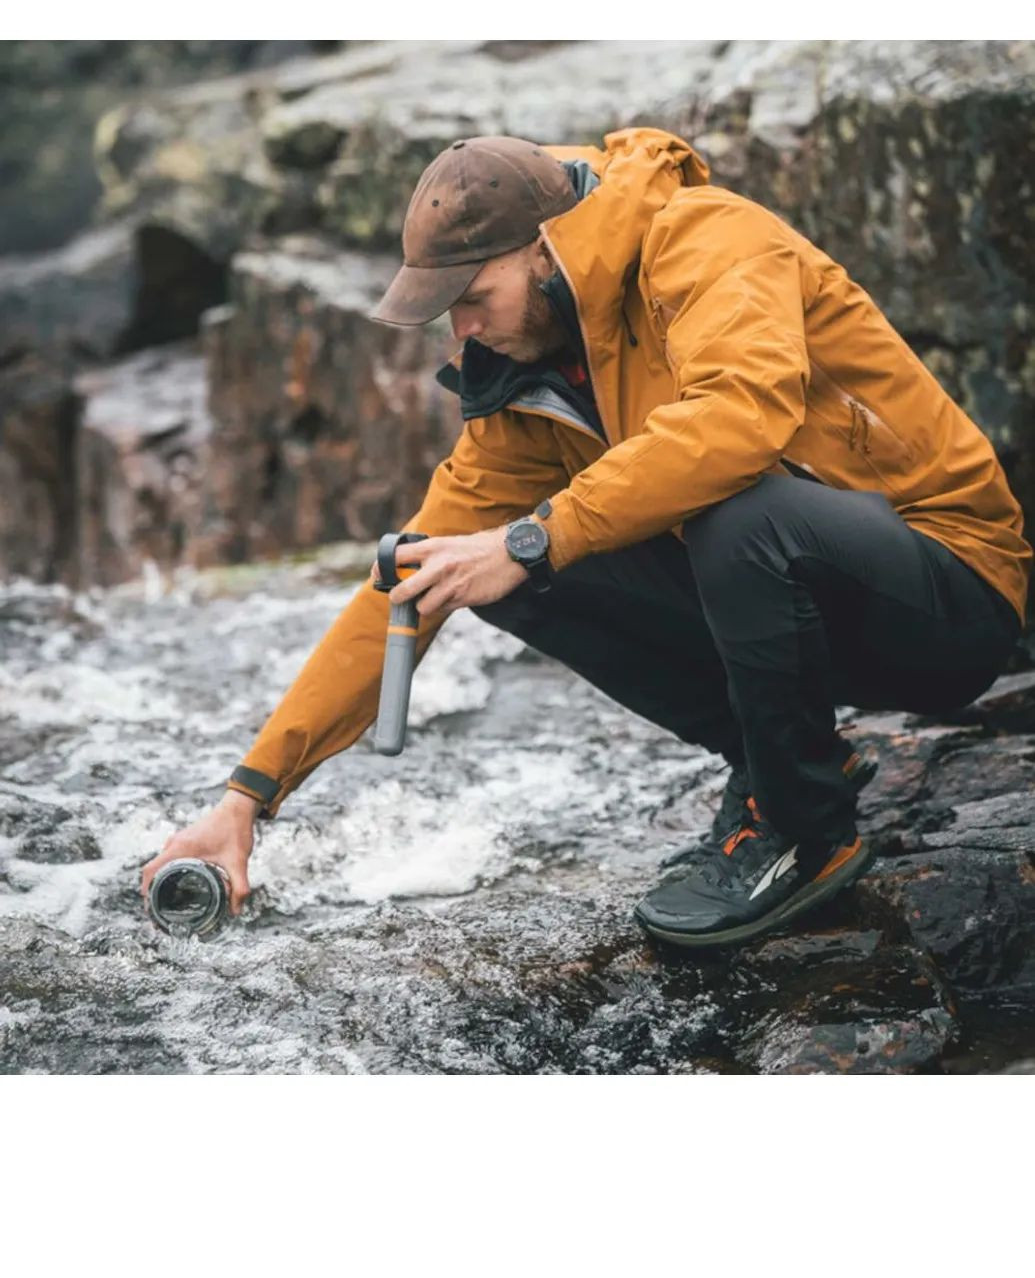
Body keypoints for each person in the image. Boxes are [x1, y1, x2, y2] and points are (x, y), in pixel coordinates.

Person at [140, 127, 1031, 949]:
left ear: (542, 249)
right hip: (810, 608)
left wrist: (533, 537)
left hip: (948, 591)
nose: (463, 330)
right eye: (446, 311)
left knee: (716, 510)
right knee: (467, 563)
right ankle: (780, 765)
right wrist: (249, 795)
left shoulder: (708, 238)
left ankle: (804, 832)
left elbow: (739, 418)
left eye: (473, 298)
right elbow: (402, 586)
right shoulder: (528, 376)